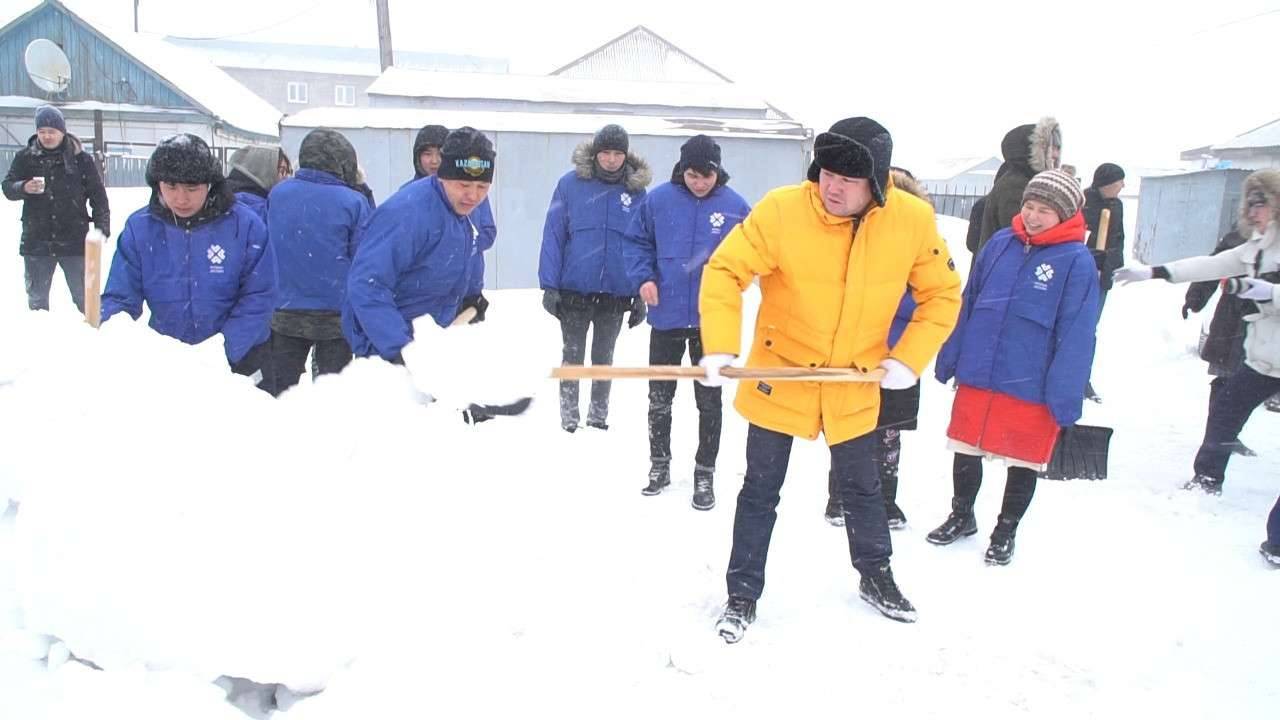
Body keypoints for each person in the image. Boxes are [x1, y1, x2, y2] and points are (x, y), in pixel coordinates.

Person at [700, 117, 962, 640]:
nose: (832, 187)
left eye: (849, 178)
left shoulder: (911, 220)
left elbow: (943, 293)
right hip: (781, 374)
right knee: (759, 490)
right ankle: (742, 593)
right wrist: (721, 345)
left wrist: (908, 359)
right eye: (826, 173)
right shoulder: (782, 210)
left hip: (853, 380)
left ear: (878, 182)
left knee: (863, 490)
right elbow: (726, 270)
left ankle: (875, 576)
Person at [929, 169, 1099, 566]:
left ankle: (1006, 530)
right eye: (1029, 205)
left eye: (1044, 209)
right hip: (980, 371)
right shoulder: (1001, 244)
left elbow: (1077, 334)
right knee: (965, 447)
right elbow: (969, 301)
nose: (1034, 216)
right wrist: (952, 354)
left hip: (1031, 381)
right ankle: (961, 515)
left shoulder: (1076, 261)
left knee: (1023, 458)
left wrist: (1064, 394)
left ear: (1065, 214)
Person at [1113, 169, 1280, 566]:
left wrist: (1268, 292)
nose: (1255, 212)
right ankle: (1208, 476)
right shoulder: (1256, 247)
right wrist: (1154, 272)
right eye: (1251, 204)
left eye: (1263, 203)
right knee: (1224, 414)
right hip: (1263, 359)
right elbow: (1209, 265)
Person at [622, 135, 750, 510]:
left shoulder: (736, 207)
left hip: (714, 324)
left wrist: (737, 286)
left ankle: (704, 473)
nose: (699, 183)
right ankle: (658, 465)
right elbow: (637, 243)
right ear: (682, 170)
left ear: (718, 171)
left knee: (709, 402)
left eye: (706, 175)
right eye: (693, 175)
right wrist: (644, 277)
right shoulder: (658, 201)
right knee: (659, 398)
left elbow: (752, 254)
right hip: (667, 316)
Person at [100, 133, 275, 389]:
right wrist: (109, 326)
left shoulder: (246, 226)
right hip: (170, 360)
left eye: (192, 188)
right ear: (157, 185)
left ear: (210, 185)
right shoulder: (140, 229)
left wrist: (222, 349)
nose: (181, 199)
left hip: (242, 357)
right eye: (171, 187)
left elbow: (260, 295)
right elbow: (120, 296)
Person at [823, 167, 932, 530]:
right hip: (856, 352)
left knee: (889, 431)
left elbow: (933, 298)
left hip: (900, 354)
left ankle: (887, 498)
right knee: (850, 427)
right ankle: (839, 496)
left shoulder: (919, 243)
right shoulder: (854, 238)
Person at [342, 127, 495, 363]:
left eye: (482, 187)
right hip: (386, 350)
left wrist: (470, 297)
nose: (473, 196)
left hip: (431, 343)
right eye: (464, 185)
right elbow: (367, 284)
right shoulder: (409, 213)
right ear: (443, 176)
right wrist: (400, 349)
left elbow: (462, 256)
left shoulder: (456, 210)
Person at [539, 124, 651, 432]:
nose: (612, 160)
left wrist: (640, 292)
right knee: (572, 356)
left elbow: (644, 244)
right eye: (606, 153)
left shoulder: (637, 193)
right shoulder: (570, 185)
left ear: (626, 156)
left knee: (604, 357)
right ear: (596, 153)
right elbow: (553, 235)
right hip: (575, 287)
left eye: (618, 154)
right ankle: (569, 419)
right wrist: (549, 285)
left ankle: (598, 416)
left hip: (616, 291)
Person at [266, 129, 371, 395]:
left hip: (284, 309)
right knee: (333, 396)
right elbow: (363, 258)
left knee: (277, 391)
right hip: (336, 314)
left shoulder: (278, 194)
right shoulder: (353, 201)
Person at [3, 104, 109, 313]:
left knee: (87, 301)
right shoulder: (25, 157)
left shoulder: (81, 160)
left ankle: (96, 337)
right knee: (37, 303)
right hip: (37, 240)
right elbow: (7, 187)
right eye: (42, 132)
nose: (47, 136)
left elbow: (98, 196)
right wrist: (23, 187)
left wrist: (102, 227)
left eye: (52, 131)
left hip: (74, 239)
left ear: (63, 131)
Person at [405, 123, 496, 324]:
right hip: (424, 298)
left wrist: (463, 245)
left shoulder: (472, 192)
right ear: (417, 157)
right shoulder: (409, 196)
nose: (434, 161)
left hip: (468, 293)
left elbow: (488, 232)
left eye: (440, 153)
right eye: (427, 154)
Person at [1182, 225, 1258, 456]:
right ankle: (1217, 438)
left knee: (1248, 384)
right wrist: (1195, 298)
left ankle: (1226, 435)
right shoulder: (1242, 234)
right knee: (1226, 378)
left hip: (1264, 325)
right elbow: (1213, 266)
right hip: (1233, 319)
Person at [977, 117, 1061, 250]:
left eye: (1058, 148)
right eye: (1051, 148)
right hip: (1006, 265)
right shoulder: (1016, 185)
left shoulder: (1024, 180)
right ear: (1031, 151)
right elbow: (1023, 237)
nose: (1055, 154)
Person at [1080, 162, 1125, 402]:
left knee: (1089, 329)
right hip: (1082, 276)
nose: (1122, 186)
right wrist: (1091, 262)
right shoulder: (1085, 204)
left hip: (1101, 278)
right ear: (1107, 183)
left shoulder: (1116, 206)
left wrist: (1110, 266)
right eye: (1119, 181)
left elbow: (1117, 241)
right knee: (1073, 326)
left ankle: (1083, 379)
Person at [226, 144, 282, 223]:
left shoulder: (225, 195)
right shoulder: (255, 208)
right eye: (283, 171)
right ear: (264, 169)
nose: (287, 177)